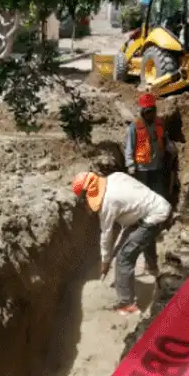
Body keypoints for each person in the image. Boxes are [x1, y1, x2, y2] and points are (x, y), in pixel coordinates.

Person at [71, 171, 171, 316]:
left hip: (154, 217)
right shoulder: (115, 177)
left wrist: (105, 262)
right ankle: (152, 267)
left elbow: (106, 235)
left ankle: (127, 305)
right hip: (154, 208)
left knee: (124, 258)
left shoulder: (107, 202)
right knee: (135, 241)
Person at [124, 92, 177, 276]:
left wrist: (171, 148)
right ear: (143, 111)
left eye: (153, 111)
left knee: (160, 197)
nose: (151, 114)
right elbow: (129, 149)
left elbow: (165, 141)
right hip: (142, 171)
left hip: (158, 169)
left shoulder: (160, 124)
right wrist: (131, 167)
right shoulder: (134, 128)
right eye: (148, 112)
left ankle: (159, 226)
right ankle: (144, 225)